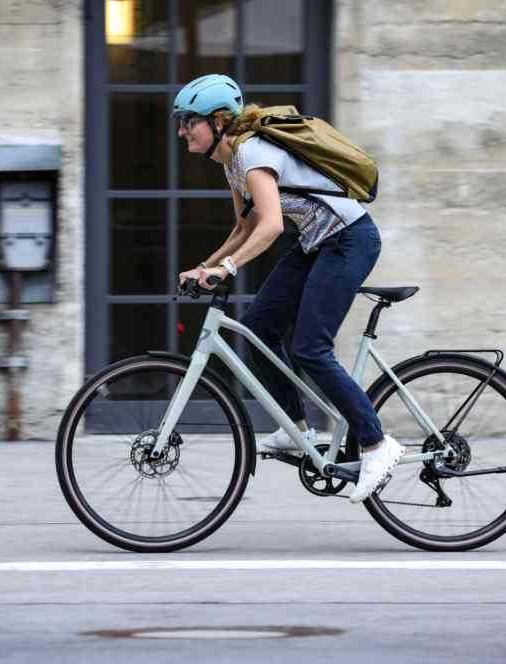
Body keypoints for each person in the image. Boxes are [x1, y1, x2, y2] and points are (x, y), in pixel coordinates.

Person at [173, 74, 404, 504]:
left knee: (311, 347)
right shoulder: (231, 163)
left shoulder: (252, 153)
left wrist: (225, 268)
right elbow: (244, 227)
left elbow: (272, 225)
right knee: (259, 328)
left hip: (349, 239)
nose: (183, 130)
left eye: (190, 121)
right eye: (181, 123)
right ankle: (296, 430)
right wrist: (205, 267)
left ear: (219, 121)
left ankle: (376, 444)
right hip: (318, 242)